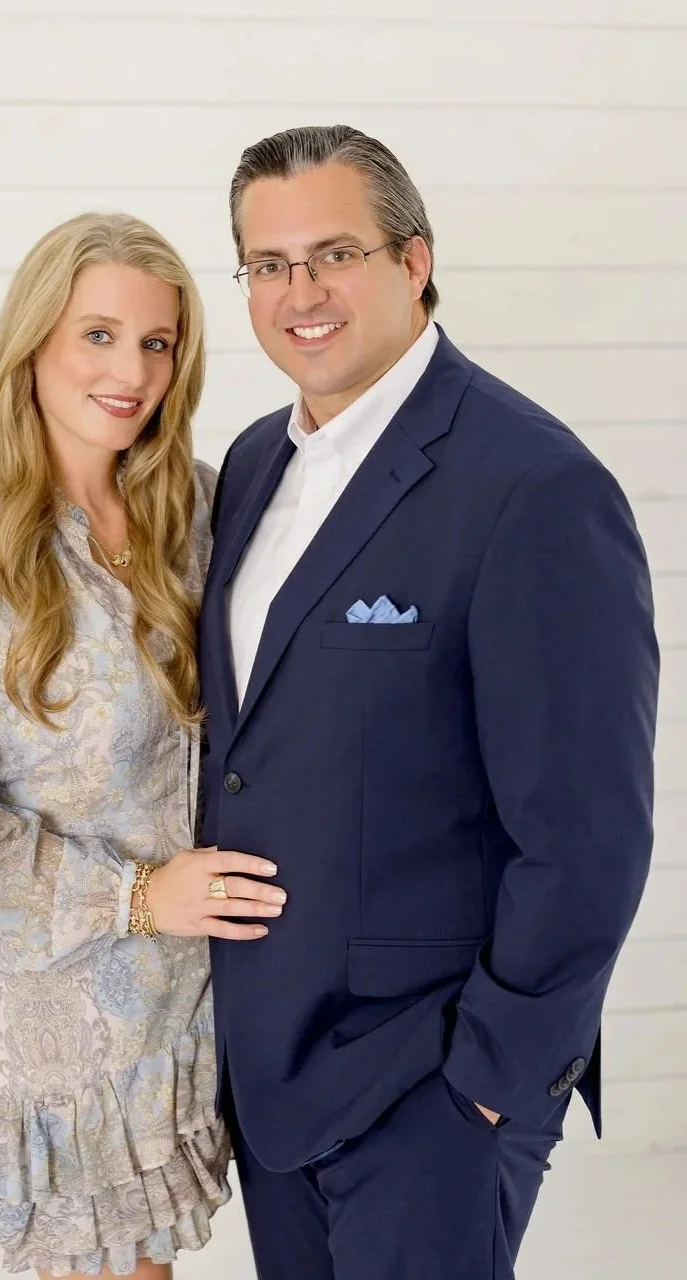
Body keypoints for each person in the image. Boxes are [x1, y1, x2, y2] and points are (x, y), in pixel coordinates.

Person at [198, 125, 659, 1279]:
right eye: (267, 263)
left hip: (427, 1083)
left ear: (412, 262)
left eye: (333, 253)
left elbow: (586, 832)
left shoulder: (532, 486)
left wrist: (493, 1086)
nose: (298, 292)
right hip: (272, 1074)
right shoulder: (253, 464)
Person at [0, 211, 283, 1280]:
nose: (131, 370)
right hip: (55, 1020)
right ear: (35, 345)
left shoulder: (196, 507)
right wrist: (138, 896)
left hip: (183, 1004)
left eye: (157, 342)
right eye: (98, 334)